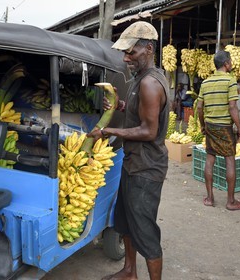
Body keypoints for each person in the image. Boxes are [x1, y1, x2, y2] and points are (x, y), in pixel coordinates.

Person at [88, 21, 169, 280]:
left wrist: (109, 132)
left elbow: (149, 131)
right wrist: (122, 105)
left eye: (130, 52)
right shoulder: (140, 79)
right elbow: (141, 111)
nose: (125, 58)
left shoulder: (150, 83)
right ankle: (129, 271)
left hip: (146, 169)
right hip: (133, 163)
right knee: (125, 221)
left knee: (144, 230)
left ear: (147, 48)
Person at [196, 50, 240, 211]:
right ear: (226, 64)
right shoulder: (230, 81)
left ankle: (210, 198)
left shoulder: (205, 83)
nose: (231, 64)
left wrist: (203, 125)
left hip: (210, 125)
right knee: (229, 160)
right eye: (230, 61)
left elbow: (199, 107)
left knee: (210, 159)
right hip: (224, 126)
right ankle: (231, 201)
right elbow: (233, 107)